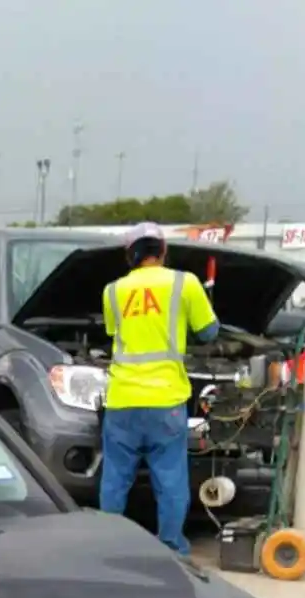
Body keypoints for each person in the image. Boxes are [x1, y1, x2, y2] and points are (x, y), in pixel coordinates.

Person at [98, 221, 220, 555]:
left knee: (115, 479)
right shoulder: (185, 283)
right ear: (163, 251)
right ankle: (170, 547)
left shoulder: (112, 291)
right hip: (166, 400)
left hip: (122, 399)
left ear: (130, 255)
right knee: (169, 480)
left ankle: (109, 546)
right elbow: (209, 332)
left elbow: (114, 333)